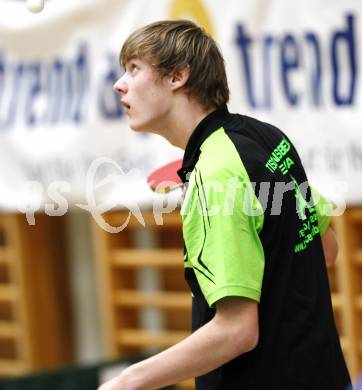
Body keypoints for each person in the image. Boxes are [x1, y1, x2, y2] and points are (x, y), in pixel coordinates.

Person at [101, 19, 351, 390]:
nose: (120, 84)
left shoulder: (215, 173)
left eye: (134, 69)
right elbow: (325, 249)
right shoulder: (265, 137)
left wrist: (126, 381)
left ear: (177, 77)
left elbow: (237, 332)